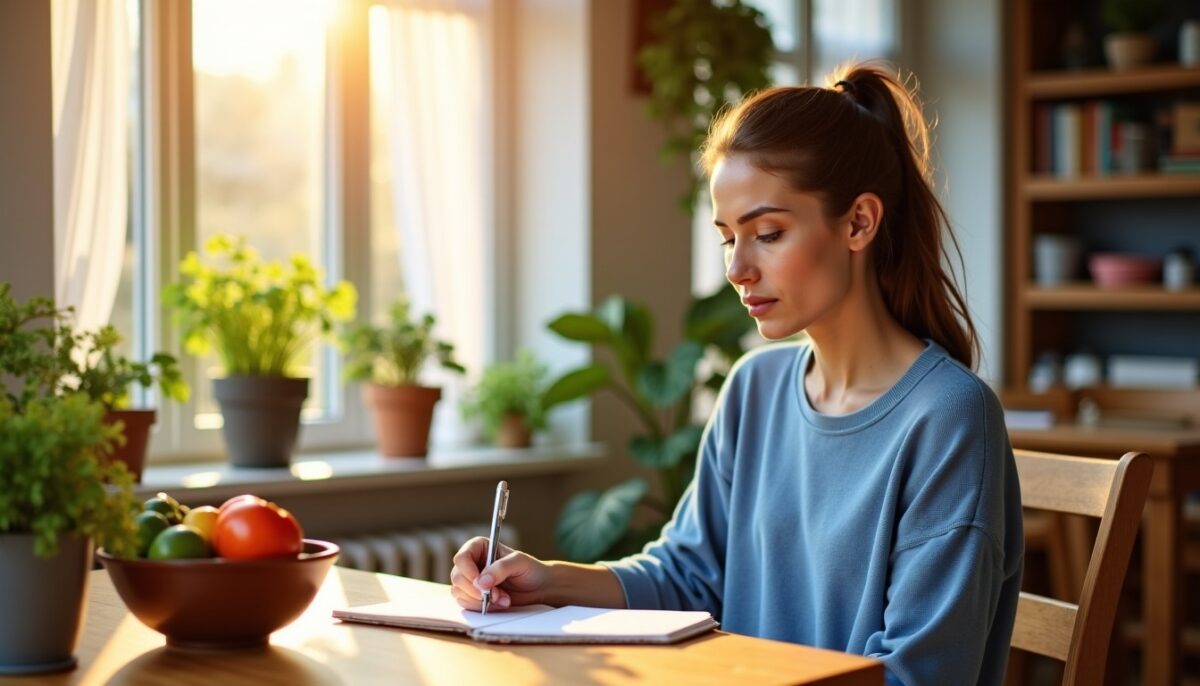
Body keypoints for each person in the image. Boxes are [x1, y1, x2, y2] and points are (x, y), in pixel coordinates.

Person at [450, 62, 1023, 686]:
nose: (738, 268)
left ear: (858, 222)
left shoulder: (948, 416)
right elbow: (686, 576)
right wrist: (547, 579)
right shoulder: (754, 389)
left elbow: (921, 674)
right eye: (728, 238)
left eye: (768, 233)